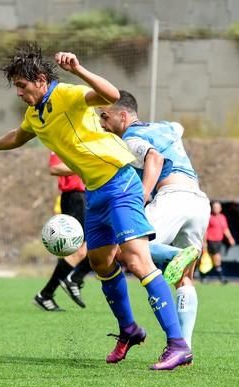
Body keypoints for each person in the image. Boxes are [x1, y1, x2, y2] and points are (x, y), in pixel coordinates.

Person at [0, 44, 192, 370]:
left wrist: (78, 69)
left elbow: (109, 93)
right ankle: (129, 330)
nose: (18, 92)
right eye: (16, 86)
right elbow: (19, 136)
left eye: (22, 85)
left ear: (41, 79)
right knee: (102, 263)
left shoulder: (66, 94)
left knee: (136, 259)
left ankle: (177, 344)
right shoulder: (36, 114)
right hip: (95, 193)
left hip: (120, 184)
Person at [99, 90, 209, 350]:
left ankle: (171, 255)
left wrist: (144, 195)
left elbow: (155, 158)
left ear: (123, 116)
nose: (102, 124)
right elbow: (178, 128)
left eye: (105, 117)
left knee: (124, 250)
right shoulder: (166, 127)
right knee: (185, 278)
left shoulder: (131, 138)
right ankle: (185, 347)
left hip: (172, 197)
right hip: (198, 200)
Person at [34, 152, 90, 311]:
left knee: (100, 245)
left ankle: (49, 292)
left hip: (87, 196)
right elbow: (55, 168)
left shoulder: (87, 139)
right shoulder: (63, 141)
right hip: (75, 198)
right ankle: (69, 281)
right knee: (79, 250)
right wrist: (83, 167)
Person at [204, 201, 235, 284]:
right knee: (217, 258)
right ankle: (221, 277)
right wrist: (204, 242)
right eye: (214, 207)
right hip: (211, 241)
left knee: (213, 259)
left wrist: (230, 238)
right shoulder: (209, 218)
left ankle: (204, 276)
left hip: (219, 241)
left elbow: (225, 229)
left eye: (217, 207)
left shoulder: (222, 217)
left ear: (220, 209)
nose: (216, 209)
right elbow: (205, 231)